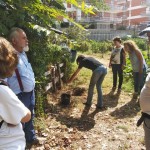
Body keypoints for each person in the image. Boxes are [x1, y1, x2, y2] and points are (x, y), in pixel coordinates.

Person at [7, 27, 38, 147]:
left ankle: (31, 137)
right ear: (14, 40)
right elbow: (3, 79)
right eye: (23, 38)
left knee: (31, 115)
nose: (27, 40)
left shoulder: (23, 54)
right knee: (20, 121)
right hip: (19, 95)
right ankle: (20, 144)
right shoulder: (8, 58)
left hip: (30, 93)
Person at [0, 37, 31, 150]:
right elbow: (25, 116)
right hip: (8, 145)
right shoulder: (2, 91)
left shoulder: (24, 55)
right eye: (23, 37)